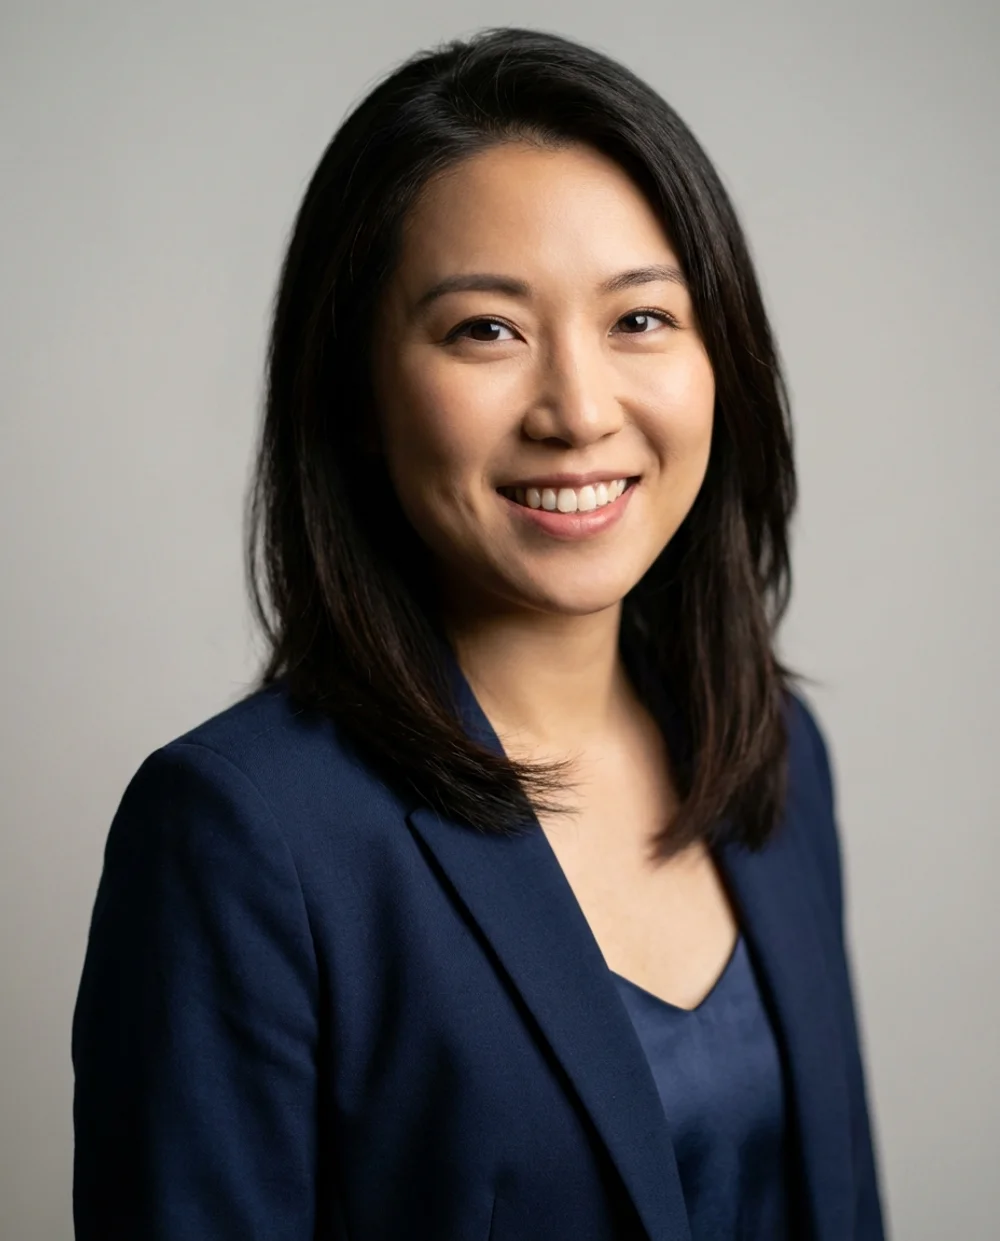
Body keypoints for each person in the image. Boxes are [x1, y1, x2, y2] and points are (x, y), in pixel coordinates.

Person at [71, 25, 886, 1241]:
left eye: (642, 319)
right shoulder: (243, 838)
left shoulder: (773, 751)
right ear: (357, 391)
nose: (577, 409)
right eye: (486, 330)